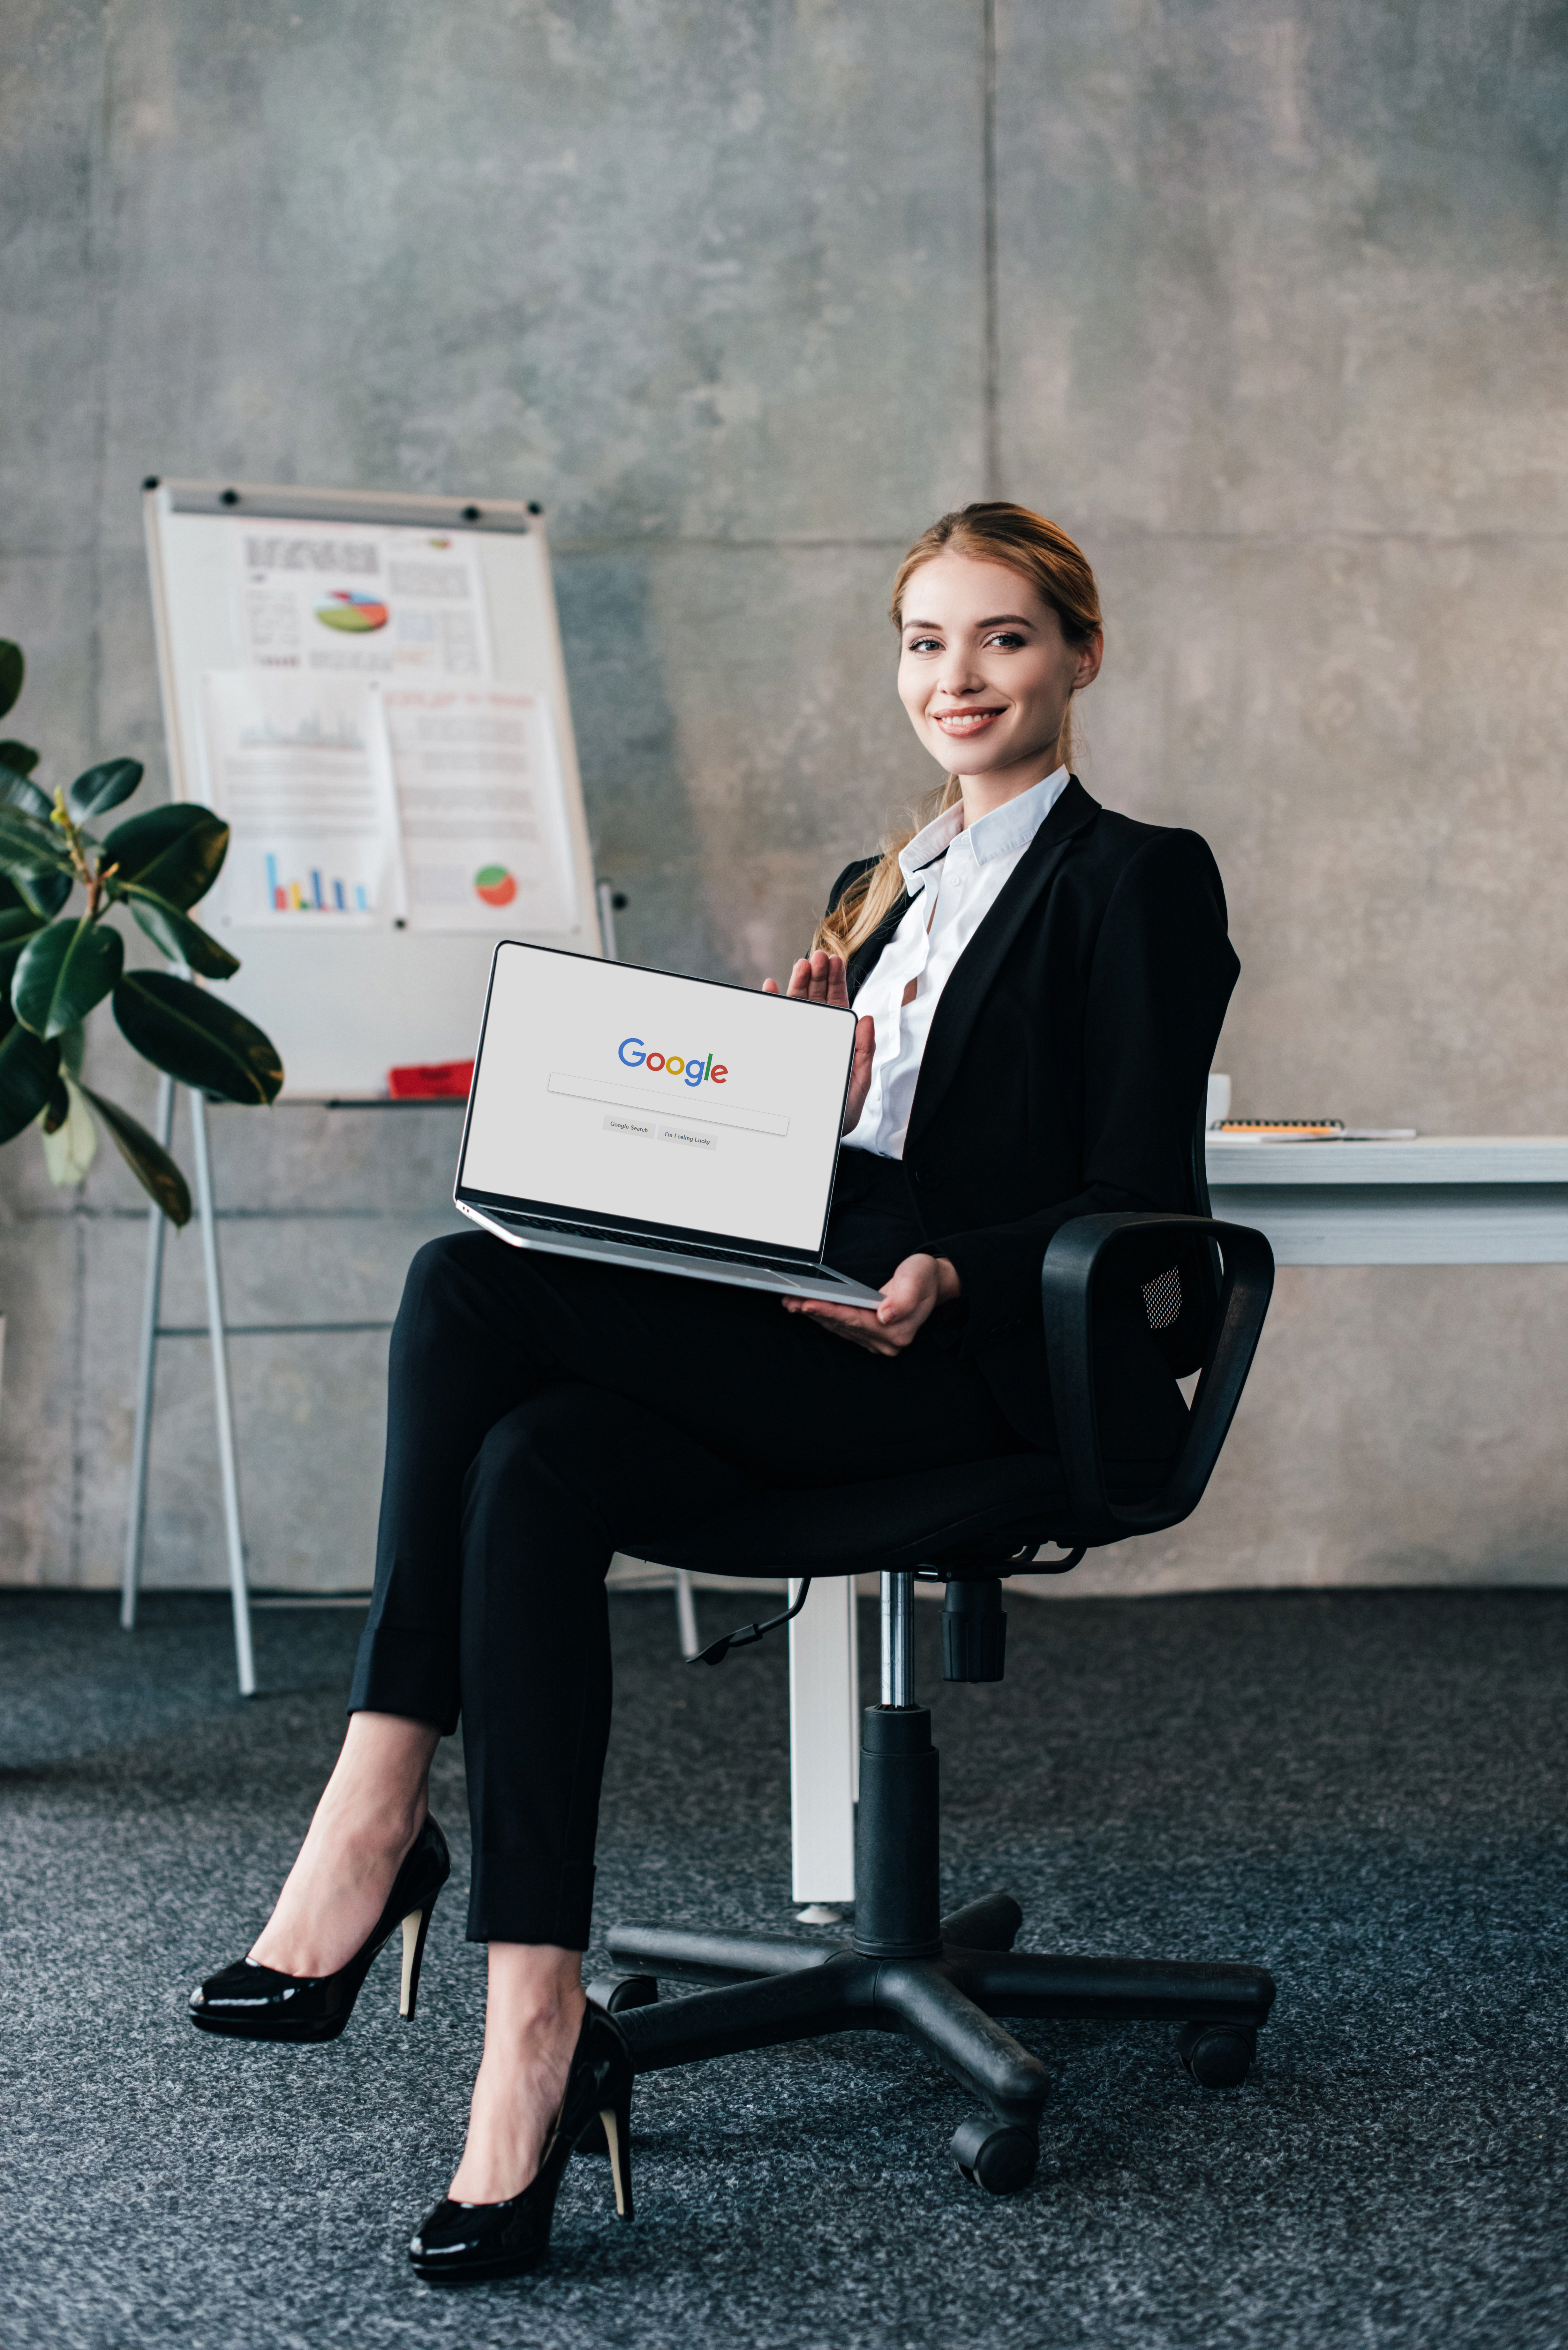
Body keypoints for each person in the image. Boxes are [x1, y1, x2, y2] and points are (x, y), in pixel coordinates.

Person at [187, 501, 1240, 2282]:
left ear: (1080, 654)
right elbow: (850, 1163)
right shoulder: (879, 887)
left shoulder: (1137, 877)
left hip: (978, 1373)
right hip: (809, 1323)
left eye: (1001, 638)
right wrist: (789, 1104)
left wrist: (959, 1270)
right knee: (530, 1462)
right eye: (925, 640)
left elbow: (1146, 1194)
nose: (958, 677)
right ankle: (531, 2030)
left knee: (462, 1286)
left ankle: (372, 1820)